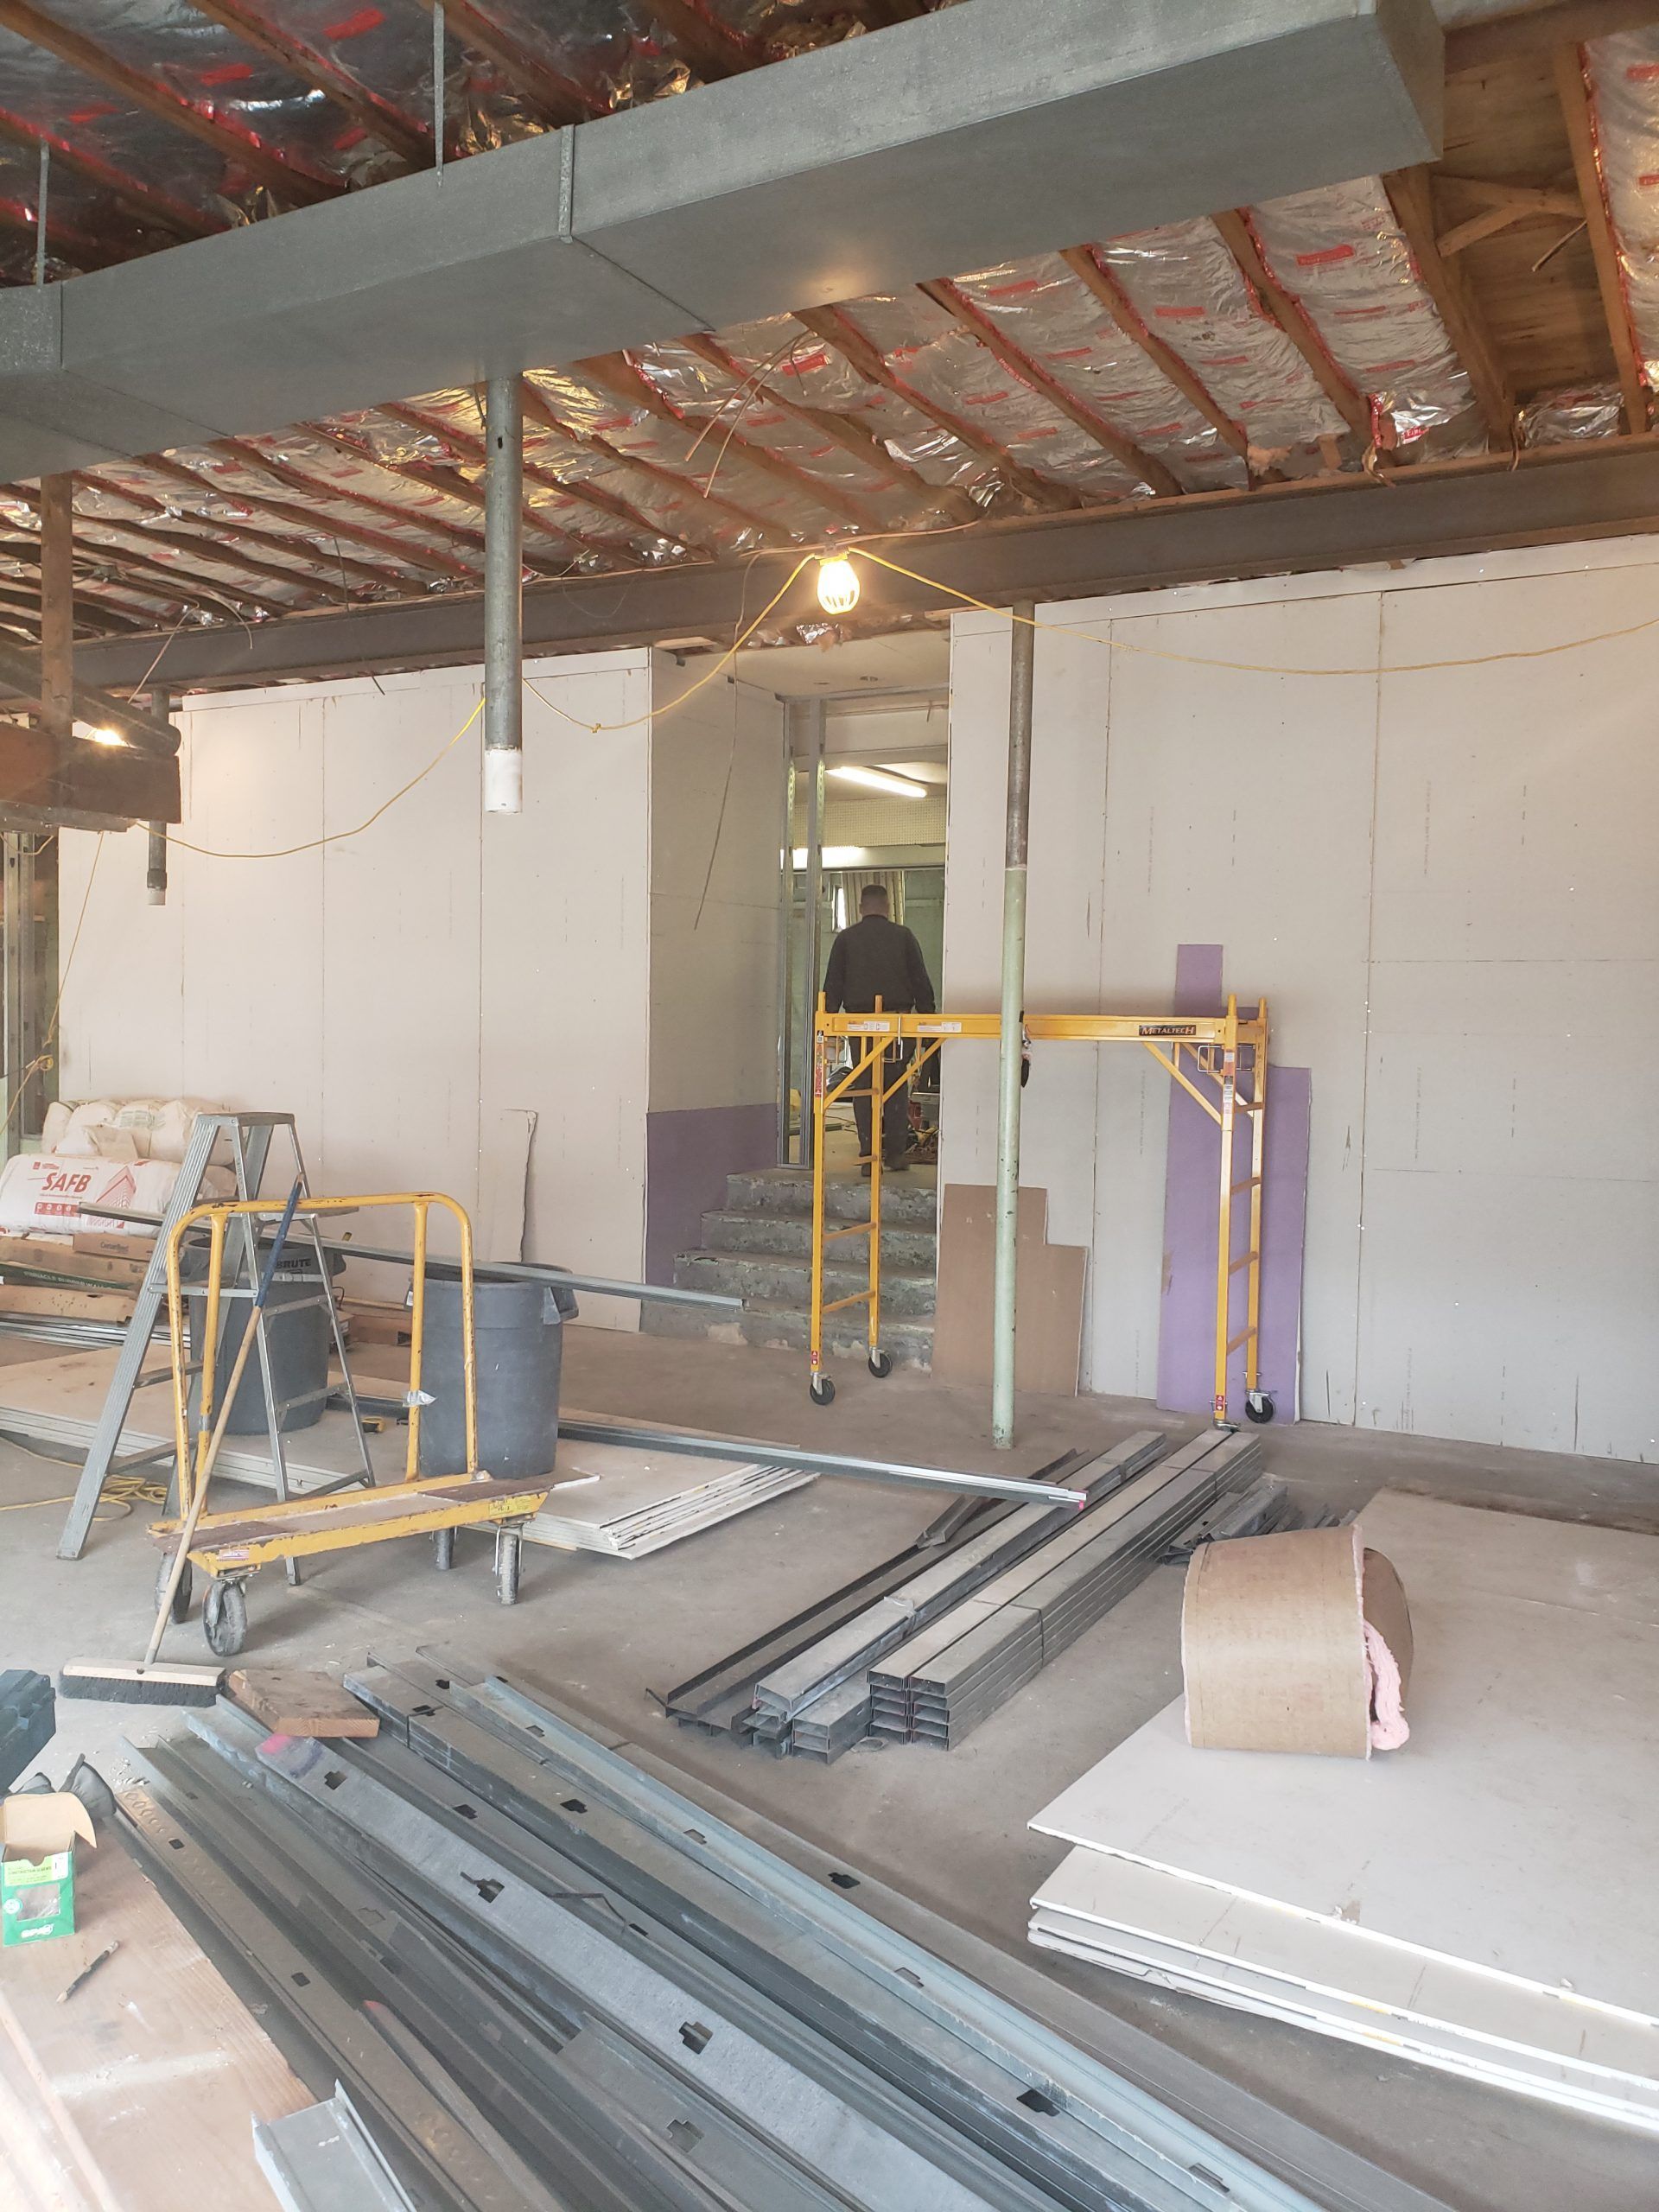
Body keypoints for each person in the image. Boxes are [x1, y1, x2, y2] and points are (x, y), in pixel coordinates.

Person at [822, 883, 936, 1174]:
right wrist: (928, 1021)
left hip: (860, 1025)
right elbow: (920, 980)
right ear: (887, 907)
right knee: (896, 1086)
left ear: (861, 908)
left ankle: (868, 1158)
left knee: (864, 1087)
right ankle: (896, 1155)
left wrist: (828, 1025)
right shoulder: (903, 936)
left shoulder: (846, 940)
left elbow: (833, 984)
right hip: (897, 1024)